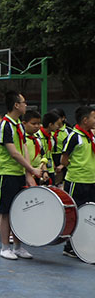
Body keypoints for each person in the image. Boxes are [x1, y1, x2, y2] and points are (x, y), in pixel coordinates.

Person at [0, 91, 43, 260]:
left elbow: (24, 149)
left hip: (19, 173)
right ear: (16, 105)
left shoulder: (19, 125)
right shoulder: (4, 125)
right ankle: (4, 247)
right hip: (6, 174)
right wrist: (32, 169)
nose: (25, 105)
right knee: (6, 212)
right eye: (23, 102)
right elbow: (14, 153)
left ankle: (17, 247)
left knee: (18, 210)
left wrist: (29, 172)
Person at [60, 105, 95, 259]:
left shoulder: (90, 136)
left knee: (89, 214)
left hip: (91, 181)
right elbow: (64, 159)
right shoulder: (74, 136)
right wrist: (76, 169)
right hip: (76, 181)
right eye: (94, 117)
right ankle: (70, 246)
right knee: (76, 213)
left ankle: (84, 244)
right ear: (85, 120)